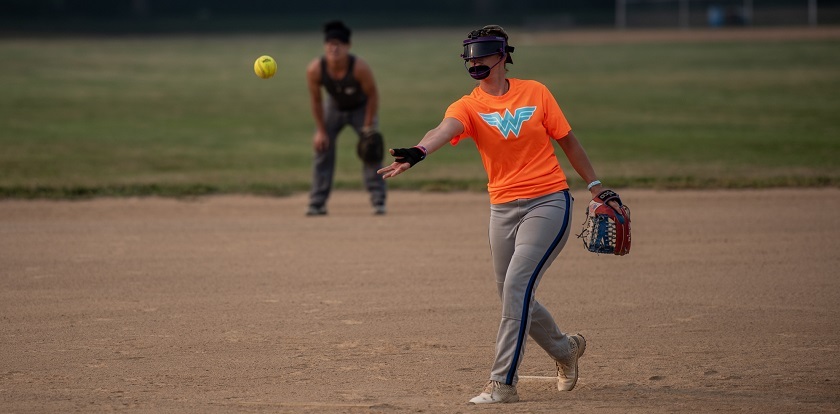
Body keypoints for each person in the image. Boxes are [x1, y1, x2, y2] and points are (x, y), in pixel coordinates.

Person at [378, 25, 622, 404]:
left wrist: (595, 185)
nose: (474, 63)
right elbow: (444, 129)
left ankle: (503, 384)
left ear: (503, 57)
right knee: (511, 294)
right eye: (469, 59)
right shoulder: (469, 105)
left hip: (548, 201)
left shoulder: (536, 92)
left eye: (481, 57)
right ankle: (565, 350)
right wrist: (419, 151)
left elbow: (568, 141)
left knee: (516, 287)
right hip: (502, 208)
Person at [305, 20, 386, 216]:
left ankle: (378, 200)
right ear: (325, 46)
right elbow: (316, 101)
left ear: (348, 46)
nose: (334, 47)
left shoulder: (359, 67)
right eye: (330, 43)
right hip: (334, 108)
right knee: (322, 147)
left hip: (361, 108)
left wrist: (368, 128)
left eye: (339, 43)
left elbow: (373, 95)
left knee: (371, 149)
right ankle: (317, 202)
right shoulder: (315, 69)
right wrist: (321, 132)